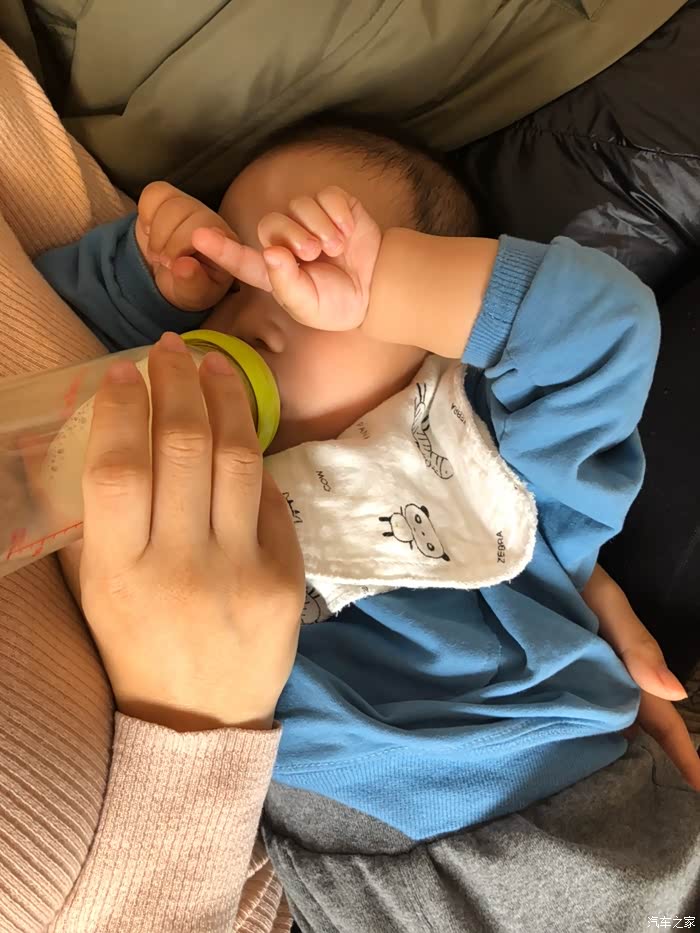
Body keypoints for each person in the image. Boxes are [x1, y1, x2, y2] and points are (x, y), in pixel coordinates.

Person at [32, 117, 700, 931]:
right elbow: (42, 318)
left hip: (581, 817)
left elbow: (608, 327)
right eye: (233, 280)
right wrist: (152, 283)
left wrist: (386, 284)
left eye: (312, 270)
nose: (255, 315)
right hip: (346, 877)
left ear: (436, 339)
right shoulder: (197, 455)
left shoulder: (497, 460)